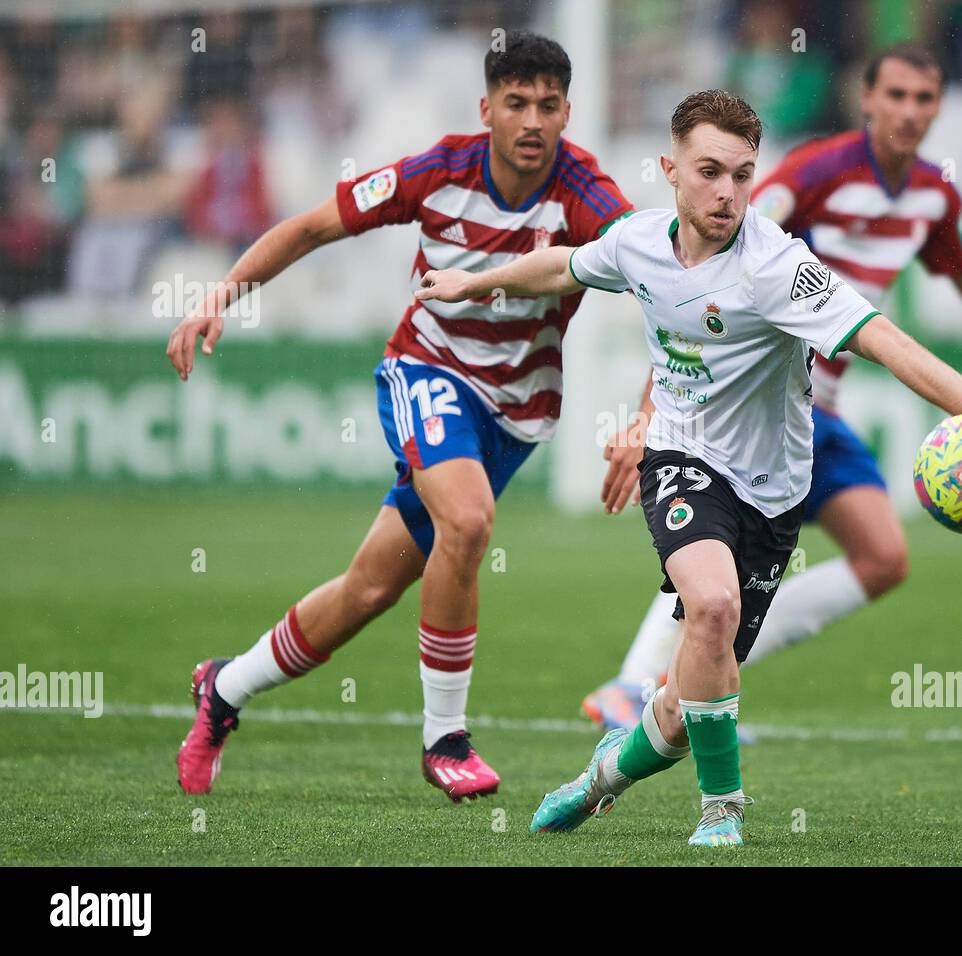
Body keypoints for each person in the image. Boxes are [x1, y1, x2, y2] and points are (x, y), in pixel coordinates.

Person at [415, 89, 962, 846]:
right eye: (708, 171)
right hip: (682, 456)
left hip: (775, 489)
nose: (726, 191)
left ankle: (604, 777)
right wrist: (476, 281)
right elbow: (565, 266)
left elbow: (889, 342)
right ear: (670, 169)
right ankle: (722, 811)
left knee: (689, 700)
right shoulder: (636, 243)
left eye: (741, 173)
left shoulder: (778, 267)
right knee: (713, 605)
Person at [582, 42, 962, 733]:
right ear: (866, 100)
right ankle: (637, 682)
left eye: (924, 99)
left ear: (939, 107)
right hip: (742, 402)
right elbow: (698, 287)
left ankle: (688, 672)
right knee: (718, 537)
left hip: (815, 412)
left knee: (884, 558)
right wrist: (653, 415)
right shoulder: (814, 173)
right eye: (895, 95)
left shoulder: (931, 194)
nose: (909, 112)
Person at [167, 32, 633, 801]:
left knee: (368, 590)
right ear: (487, 108)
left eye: (548, 106)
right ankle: (444, 738)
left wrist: (647, 415)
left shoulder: (585, 195)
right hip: (427, 370)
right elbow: (314, 226)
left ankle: (225, 687)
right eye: (516, 103)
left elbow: (658, 282)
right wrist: (221, 294)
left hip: (515, 415)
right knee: (471, 522)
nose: (532, 120)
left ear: (567, 113)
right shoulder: (437, 172)